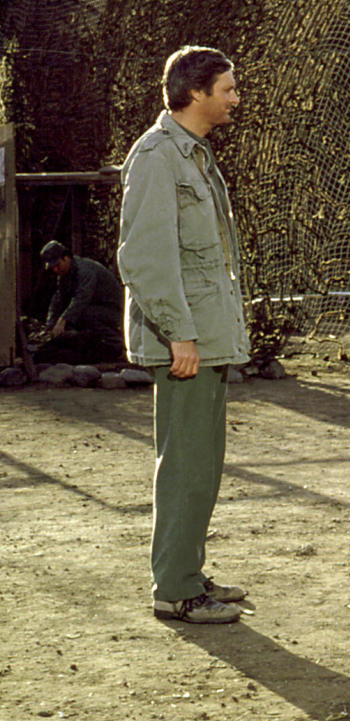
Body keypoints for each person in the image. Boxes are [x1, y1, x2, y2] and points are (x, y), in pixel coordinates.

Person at [117, 46, 250, 624]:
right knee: (186, 464)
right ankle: (174, 588)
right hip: (185, 339)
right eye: (227, 88)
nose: (235, 98)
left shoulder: (194, 154)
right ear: (195, 93)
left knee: (203, 462)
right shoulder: (157, 156)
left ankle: (188, 571)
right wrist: (179, 334)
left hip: (203, 333)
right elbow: (145, 258)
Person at [36, 239, 124, 364]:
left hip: (114, 311)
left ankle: (117, 345)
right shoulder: (64, 275)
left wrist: (63, 320)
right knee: (77, 318)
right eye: (52, 267)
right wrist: (49, 327)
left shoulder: (85, 270)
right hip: (97, 309)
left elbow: (82, 298)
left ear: (66, 258)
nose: (55, 270)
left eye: (57, 265)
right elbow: (57, 300)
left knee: (84, 315)